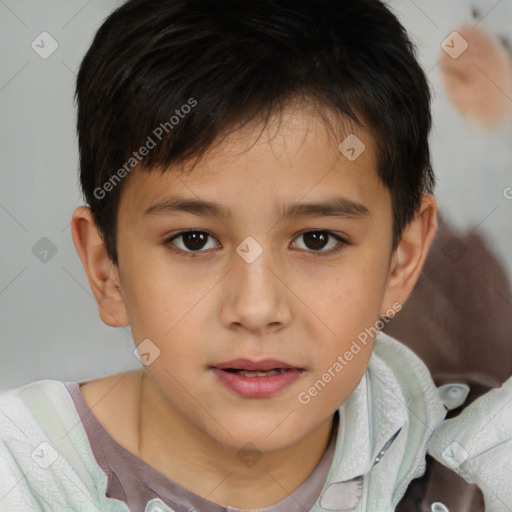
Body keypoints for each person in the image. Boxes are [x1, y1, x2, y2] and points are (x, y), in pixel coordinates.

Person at [1, 0, 511, 510]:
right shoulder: (23, 475)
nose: (256, 308)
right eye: (193, 240)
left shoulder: (477, 462)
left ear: (402, 260)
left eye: (317, 240)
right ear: (105, 267)